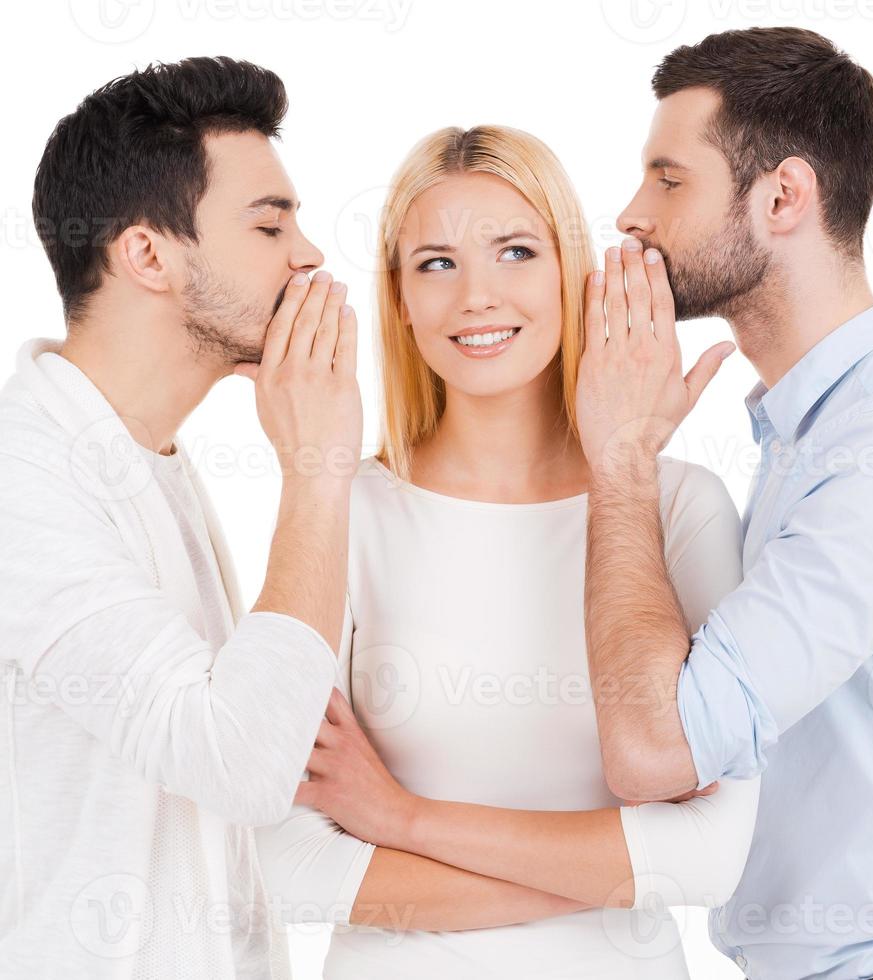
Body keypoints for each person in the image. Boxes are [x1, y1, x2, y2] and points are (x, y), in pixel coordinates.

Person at [574, 28, 873, 980]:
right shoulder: (809, 436)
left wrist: (620, 459)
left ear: (782, 197)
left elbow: (657, 750)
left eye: (669, 180)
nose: (630, 215)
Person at [255, 124, 760, 980]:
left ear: (573, 275)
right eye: (437, 264)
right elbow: (293, 867)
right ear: (400, 299)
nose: (476, 297)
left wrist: (401, 819)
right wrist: (617, 872)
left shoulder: (676, 508)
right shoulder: (344, 506)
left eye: (517, 252)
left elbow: (712, 860)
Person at [0, 57, 362, 978]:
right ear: (147, 254)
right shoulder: (7, 480)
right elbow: (237, 762)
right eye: (270, 223)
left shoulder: (143, 458)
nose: (307, 255)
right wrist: (317, 469)